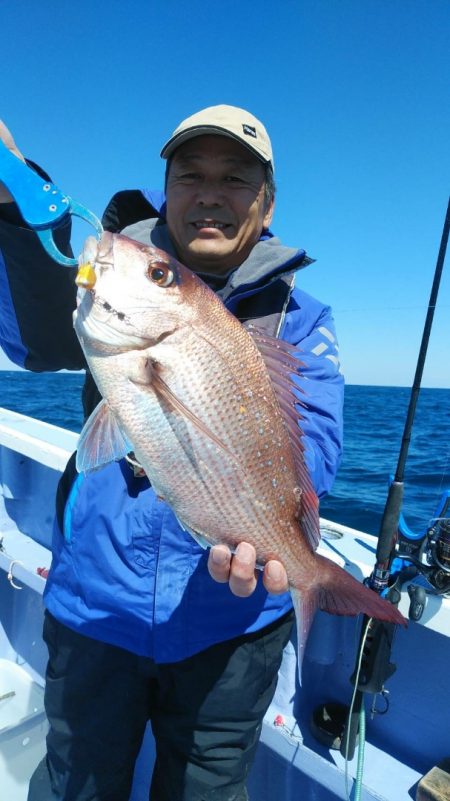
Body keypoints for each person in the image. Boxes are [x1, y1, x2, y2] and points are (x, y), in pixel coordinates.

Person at [0, 105, 344, 801]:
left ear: (266, 201)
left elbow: (317, 442)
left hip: (234, 627)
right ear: (166, 191)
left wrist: (280, 536)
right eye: (191, 175)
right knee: (77, 787)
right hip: (96, 603)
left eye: (235, 178)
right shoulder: (117, 278)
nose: (211, 192)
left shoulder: (300, 317)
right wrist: (12, 201)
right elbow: (33, 338)